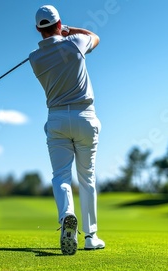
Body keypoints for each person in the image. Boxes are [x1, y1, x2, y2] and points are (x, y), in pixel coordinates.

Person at [29, 5, 106, 255]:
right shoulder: (75, 43)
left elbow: (52, 40)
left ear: (37, 29)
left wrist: (58, 32)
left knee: (61, 176)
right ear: (59, 24)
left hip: (57, 119)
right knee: (87, 178)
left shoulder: (34, 58)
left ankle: (66, 217)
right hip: (85, 117)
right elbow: (95, 36)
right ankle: (90, 236)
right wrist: (69, 29)